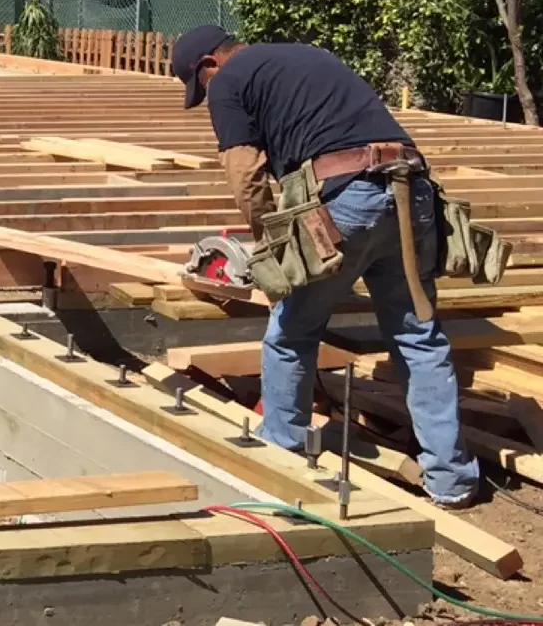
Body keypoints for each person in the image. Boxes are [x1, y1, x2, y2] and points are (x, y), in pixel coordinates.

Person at [172, 25, 479, 507]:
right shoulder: (306, 55)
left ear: (209, 65)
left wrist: (270, 243)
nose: (207, 94)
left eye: (202, 85)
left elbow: (245, 172)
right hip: (412, 189)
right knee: (419, 336)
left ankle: (282, 453)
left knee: (292, 331)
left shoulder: (228, 83)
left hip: (347, 198)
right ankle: (452, 481)